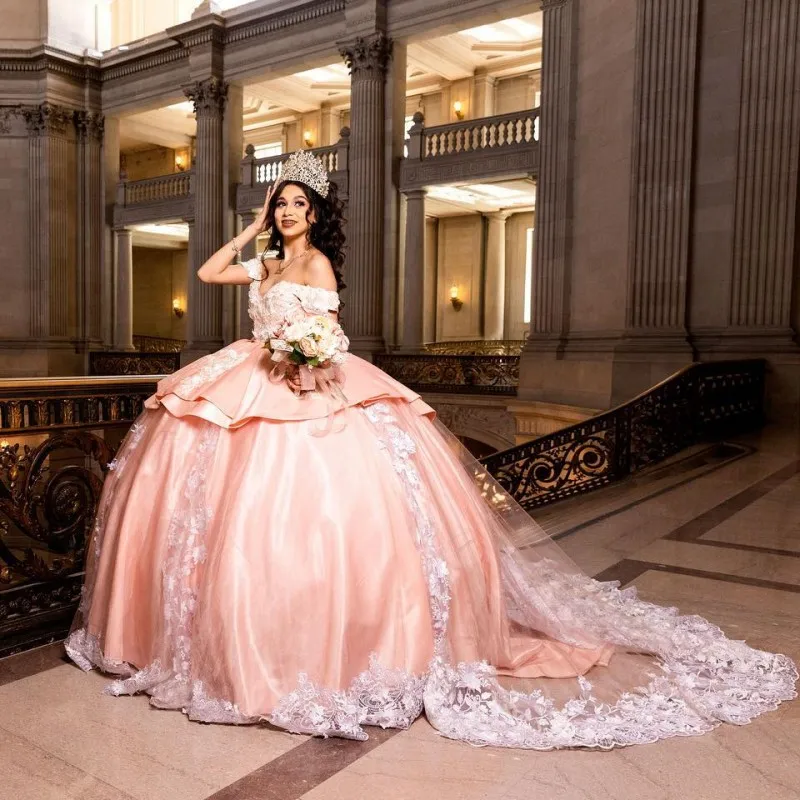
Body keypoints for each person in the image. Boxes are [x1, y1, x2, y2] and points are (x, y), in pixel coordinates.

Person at [66, 151, 797, 749]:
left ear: (317, 215)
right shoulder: (264, 262)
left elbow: (329, 339)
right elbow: (208, 275)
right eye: (280, 203)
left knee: (319, 511)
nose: (287, 213)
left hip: (309, 383)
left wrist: (303, 352)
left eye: (296, 204)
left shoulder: (315, 267)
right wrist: (249, 226)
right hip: (251, 374)